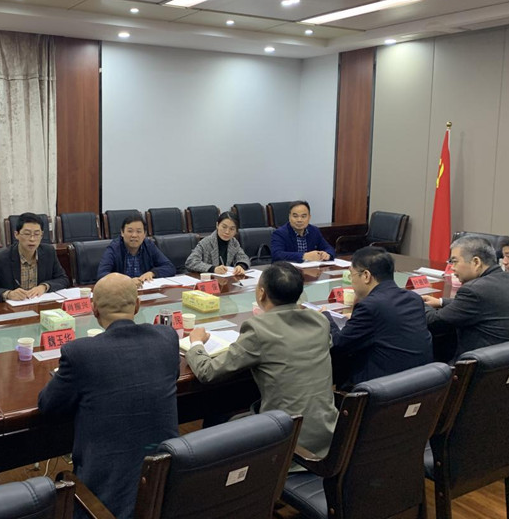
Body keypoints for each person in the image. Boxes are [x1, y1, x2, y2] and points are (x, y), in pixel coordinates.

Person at [38, 273, 179, 519]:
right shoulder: (167, 338)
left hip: (104, 501)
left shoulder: (80, 353)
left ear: (94, 309)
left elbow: (47, 405)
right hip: (164, 490)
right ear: (137, 305)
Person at [186, 262, 337, 459]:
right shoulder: (320, 321)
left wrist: (196, 343)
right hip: (328, 437)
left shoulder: (258, 329)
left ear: (262, 293)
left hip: (288, 443)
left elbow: (208, 372)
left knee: (217, 419)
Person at [327, 247, 432, 387]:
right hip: (421, 382)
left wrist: (327, 318)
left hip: (384, 387)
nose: (352, 280)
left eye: (352, 274)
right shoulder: (413, 298)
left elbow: (339, 343)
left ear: (366, 276)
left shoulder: (370, 306)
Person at [423, 236, 509, 360]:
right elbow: (484, 303)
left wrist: (416, 302)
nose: (452, 267)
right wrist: (441, 302)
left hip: (485, 366)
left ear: (476, 262)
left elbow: (435, 322)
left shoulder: (474, 290)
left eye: (455, 261)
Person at [0, 212, 69, 301]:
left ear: (42, 235)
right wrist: (8, 294)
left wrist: (44, 287)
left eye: (36, 234)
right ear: (16, 234)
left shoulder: (48, 252)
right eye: (27, 234)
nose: (32, 239)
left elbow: (63, 279)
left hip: (40, 307)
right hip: (13, 310)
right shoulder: (1, 259)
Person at [96, 214, 175, 284]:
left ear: (144, 234)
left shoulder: (149, 246)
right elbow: (102, 275)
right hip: (122, 291)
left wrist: (152, 273)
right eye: (130, 231)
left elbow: (169, 267)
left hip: (144, 289)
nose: (134, 235)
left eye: (139, 231)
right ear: (122, 232)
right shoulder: (114, 248)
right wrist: (126, 281)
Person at [185, 211, 250, 276]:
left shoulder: (233, 242)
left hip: (227, 279)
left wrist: (241, 266)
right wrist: (213, 269)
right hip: (209, 279)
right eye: (224, 227)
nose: (227, 232)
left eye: (232, 229)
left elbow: (244, 258)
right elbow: (190, 262)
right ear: (217, 225)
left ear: (236, 231)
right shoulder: (206, 242)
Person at [270, 200, 335, 262]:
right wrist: (304, 256)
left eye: (303, 216)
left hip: (311, 268)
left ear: (309, 217)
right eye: (295, 216)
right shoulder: (279, 233)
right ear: (289, 217)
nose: (299, 220)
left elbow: (329, 248)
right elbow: (277, 255)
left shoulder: (314, 231)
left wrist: (327, 254)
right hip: (288, 269)